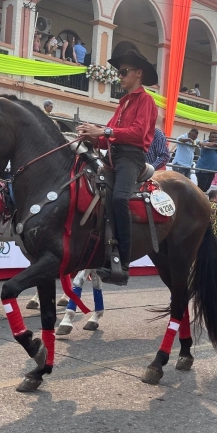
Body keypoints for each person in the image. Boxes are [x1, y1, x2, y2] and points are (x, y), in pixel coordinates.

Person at [77, 49, 158, 284]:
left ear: (138, 73)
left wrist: (103, 131)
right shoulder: (122, 103)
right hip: (113, 157)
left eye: (123, 72)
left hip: (132, 158)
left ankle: (123, 261)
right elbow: (106, 139)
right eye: (119, 72)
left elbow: (137, 133)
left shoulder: (146, 100)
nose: (119, 76)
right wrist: (91, 136)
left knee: (119, 199)